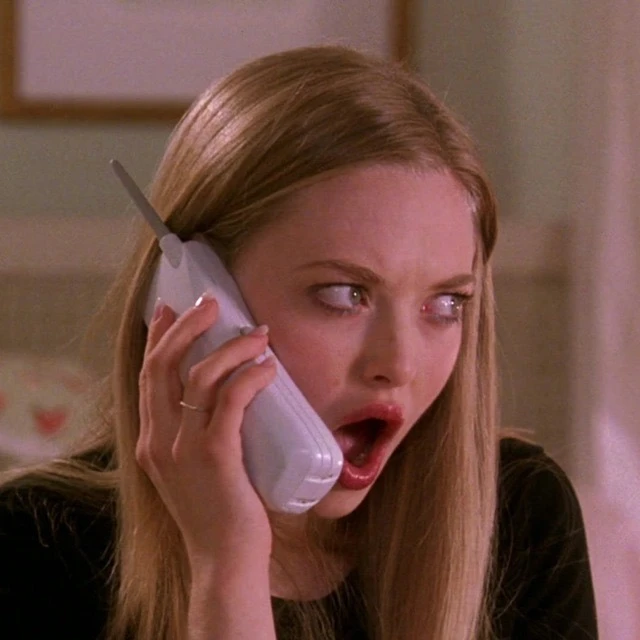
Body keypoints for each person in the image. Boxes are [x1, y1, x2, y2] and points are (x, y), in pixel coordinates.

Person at [0, 46, 597, 639]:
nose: (400, 364)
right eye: (343, 295)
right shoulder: (32, 544)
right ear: (192, 298)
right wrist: (226, 567)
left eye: (445, 305)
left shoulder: (520, 515)